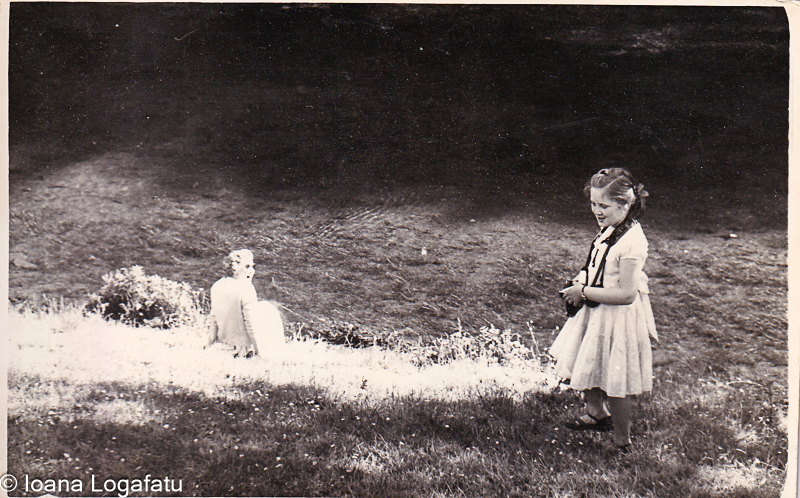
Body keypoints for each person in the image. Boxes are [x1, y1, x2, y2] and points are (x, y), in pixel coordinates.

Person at [549, 168, 657, 452]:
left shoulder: (633, 242)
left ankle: (622, 439)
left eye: (604, 206)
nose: (597, 211)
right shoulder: (611, 227)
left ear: (626, 204)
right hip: (597, 309)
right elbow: (596, 265)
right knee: (588, 357)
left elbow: (625, 294)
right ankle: (597, 412)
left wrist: (582, 292)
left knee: (615, 376)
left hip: (617, 317)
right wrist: (580, 282)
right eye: (594, 204)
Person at [207, 249, 285, 358]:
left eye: (252, 266)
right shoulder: (245, 288)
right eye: (247, 267)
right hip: (244, 348)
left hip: (225, 345)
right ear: (235, 268)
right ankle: (277, 350)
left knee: (262, 306)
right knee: (268, 309)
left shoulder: (217, 285)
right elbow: (250, 324)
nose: (251, 271)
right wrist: (259, 352)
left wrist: (208, 343)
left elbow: (214, 319)